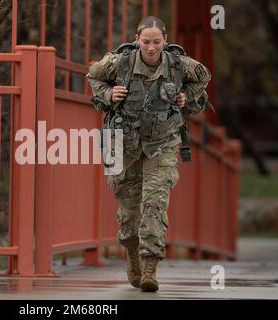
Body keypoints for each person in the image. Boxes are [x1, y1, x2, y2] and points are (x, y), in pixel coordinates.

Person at [86, 16, 211, 292]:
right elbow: (93, 75)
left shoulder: (179, 64)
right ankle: (132, 256)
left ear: (165, 40)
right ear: (137, 39)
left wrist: (186, 97)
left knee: (154, 202)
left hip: (163, 143)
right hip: (123, 144)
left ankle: (150, 268)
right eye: (146, 42)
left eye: (157, 42)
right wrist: (109, 94)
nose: (152, 47)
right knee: (129, 209)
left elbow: (204, 76)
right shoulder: (121, 62)